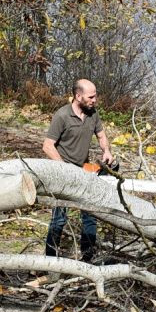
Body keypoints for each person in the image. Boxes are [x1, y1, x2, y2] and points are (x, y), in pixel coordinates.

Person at [42, 79, 114, 261]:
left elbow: (102, 135)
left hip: (84, 171)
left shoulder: (93, 114)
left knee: (90, 215)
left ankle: (88, 258)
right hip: (63, 173)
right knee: (59, 217)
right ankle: (50, 259)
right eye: (91, 96)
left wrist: (106, 151)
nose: (95, 100)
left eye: (95, 96)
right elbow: (48, 146)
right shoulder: (62, 116)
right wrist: (64, 168)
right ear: (78, 96)